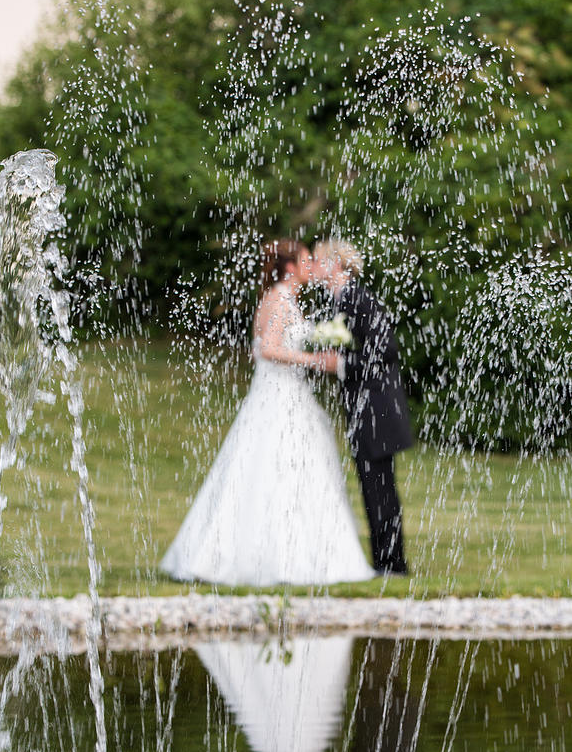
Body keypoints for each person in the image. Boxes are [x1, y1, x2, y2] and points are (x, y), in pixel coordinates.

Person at [160, 239, 375, 586]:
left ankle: (293, 552)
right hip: (278, 395)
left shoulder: (283, 300)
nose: (310, 266)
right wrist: (316, 360)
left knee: (287, 470)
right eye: (305, 260)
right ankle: (271, 559)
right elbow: (268, 350)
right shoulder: (278, 300)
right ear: (290, 267)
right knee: (275, 467)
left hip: (286, 393)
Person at [313, 240, 412, 575]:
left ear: (336, 265)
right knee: (374, 488)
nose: (314, 266)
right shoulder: (338, 301)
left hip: (378, 408)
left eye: (319, 260)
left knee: (381, 489)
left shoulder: (358, 298)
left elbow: (385, 351)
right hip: (363, 407)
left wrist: (339, 363)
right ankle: (386, 561)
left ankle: (392, 565)